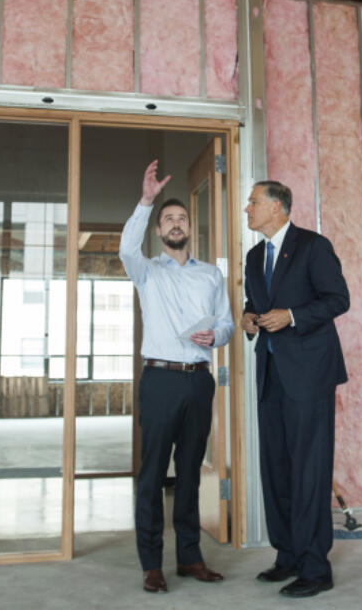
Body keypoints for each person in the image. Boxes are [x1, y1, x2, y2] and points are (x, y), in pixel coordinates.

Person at [120, 159, 234, 594]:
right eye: (167, 219)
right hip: (160, 381)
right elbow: (126, 248)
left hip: (199, 379)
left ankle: (190, 558)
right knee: (152, 475)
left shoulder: (210, 274)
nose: (175, 224)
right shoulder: (146, 270)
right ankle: (152, 563)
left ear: (190, 227)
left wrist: (216, 334)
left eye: (181, 218)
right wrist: (146, 201)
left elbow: (225, 323)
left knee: (189, 473)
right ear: (158, 229)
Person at [242, 180, 349, 599]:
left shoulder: (313, 246)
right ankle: (286, 555)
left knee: (309, 470)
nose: (247, 209)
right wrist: (251, 318)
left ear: (278, 208)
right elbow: (255, 303)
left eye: (253, 202)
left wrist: (292, 316)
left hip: (309, 376)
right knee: (277, 468)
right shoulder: (254, 256)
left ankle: (315, 567)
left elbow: (338, 299)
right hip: (270, 374)